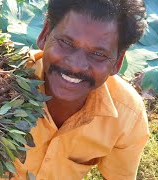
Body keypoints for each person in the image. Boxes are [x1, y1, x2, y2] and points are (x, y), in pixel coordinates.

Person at [11, 0, 150, 179]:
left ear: (117, 62)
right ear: (45, 34)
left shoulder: (128, 117)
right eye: (66, 42)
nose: (76, 66)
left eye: (98, 54)